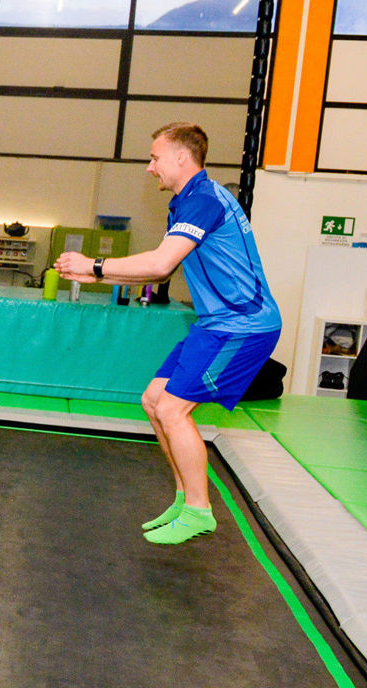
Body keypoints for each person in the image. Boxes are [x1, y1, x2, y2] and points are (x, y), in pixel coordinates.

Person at [55, 122, 280, 546]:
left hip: (242, 325)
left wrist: (96, 267)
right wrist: (97, 275)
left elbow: (160, 265)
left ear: (182, 157)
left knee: (174, 410)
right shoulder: (186, 202)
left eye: (155, 157)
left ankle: (199, 510)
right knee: (154, 400)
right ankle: (184, 497)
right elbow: (165, 265)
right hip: (215, 323)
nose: (149, 167)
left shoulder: (204, 200)